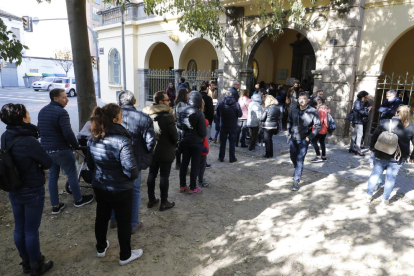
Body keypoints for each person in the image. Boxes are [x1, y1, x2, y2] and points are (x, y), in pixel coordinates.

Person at [1, 103, 54, 276]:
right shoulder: (29, 140)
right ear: (23, 118)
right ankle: (36, 265)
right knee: (31, 230)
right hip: (32, 188)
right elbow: (47, 163)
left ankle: (25, 264)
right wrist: (36, 162)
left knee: (19, 228)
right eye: (27, 113)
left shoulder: (5, 136)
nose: (30, 115)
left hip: (14, 187)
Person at [87, 103, 142, 266]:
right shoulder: (122, 140)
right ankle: (125, 255)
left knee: (102, 216)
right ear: (115, 119)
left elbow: (90, 164)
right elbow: (131, 169)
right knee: (123, 221)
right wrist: (128, 177)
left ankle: (100, 247)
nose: (123, 118)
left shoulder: (94, 136)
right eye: (121, 115)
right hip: (121, 189)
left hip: (100, 185)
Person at [37, 88, 94, 214]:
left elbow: (39, 130)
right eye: (64, 97)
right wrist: (76, 145)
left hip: (47, 150)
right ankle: (78, 200)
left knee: (53, 176)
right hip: (61, 149)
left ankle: (55, 206)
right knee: (72, 174)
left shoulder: (42, 111)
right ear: (55, 98)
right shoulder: (61, 112)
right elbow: (67, 133)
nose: (67, 99)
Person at [111, 90, 156, 233]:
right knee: (135, 191)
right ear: (135, 101)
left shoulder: (112, 117)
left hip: (115, 159)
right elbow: (151, 141)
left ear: (119, 102)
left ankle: (113, 219)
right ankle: (133, 222)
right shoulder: (144, 118)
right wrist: (146, 153)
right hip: (135, 160)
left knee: (115, 190)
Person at [366, 105, 414, 205]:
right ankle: (385, 200)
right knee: (390, 179)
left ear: (396, 112)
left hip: (381, 153)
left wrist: (372, 148)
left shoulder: (385, 122)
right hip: (398, 157)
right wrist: (412, 157)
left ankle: (368, 195)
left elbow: (375, 136)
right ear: (408, 115)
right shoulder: (411, 127)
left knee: (375, 174)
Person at [143, 91, 178, 210]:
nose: (170, 102)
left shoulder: (147, 115)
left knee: (152, 173)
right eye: (167, 100)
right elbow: (175, 136)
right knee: (164, 176)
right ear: (160, 102)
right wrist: (174, 143)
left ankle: (151, 199)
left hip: (152, 149)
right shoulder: (168, 116)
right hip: (166, 150)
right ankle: (164, 202)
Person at [288, 92, 321, 191]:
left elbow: (318, 126)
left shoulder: (312, 111)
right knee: (293, 156)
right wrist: (289, 133)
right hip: (293, 138)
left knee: (300, 159)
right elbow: (289, 120)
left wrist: (310, 137)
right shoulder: (294, 109)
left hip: (304, 139)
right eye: (299, 99)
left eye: (303, 99)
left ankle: (296, 180)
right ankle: (297, 169)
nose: (301, 101)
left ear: (308, 101)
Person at [177, 91, 207, 194]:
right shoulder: (199, 114)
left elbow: (179, 125)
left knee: (184, 163)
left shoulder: (183, 111)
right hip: (196, 142)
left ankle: (182, 185)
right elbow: (203, 132)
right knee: (195, 164)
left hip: (185, 141)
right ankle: (192, 187)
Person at [216, 90, 242, 162]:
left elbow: (217, 114)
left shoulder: (221, 104)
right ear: (233, 96)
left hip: (223, 125)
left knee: (223, 142)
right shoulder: (236, 104)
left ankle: (221, 157)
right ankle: (232, 158)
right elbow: (240, 114)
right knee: (232, 143)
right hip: (233, 126)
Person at [350, 91, 372, 156]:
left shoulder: (361, 102)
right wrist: (367, 110)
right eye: (366, 98)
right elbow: (359, 111)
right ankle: (358, 150)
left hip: (359, 120)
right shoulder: (358, 102)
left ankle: (352, 148)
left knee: (355, 135)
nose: (367, 99)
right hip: (358, 120)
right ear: (363, 97)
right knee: (359, 135)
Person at [310, 97, 331, 163]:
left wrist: (314, 126)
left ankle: (318, 156)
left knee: (314, 141)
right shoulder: (326, 108)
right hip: (325, 129)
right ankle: (324, 156)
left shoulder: (320, 110)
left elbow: (320, 120)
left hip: (320, 129)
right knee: (322, 142)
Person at [174, 88, 189, 170]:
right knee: (180, 147)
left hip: (179, 128)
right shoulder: (182, 104)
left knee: (179, 147)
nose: (188, 95)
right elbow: (182, 117)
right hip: (181, 129)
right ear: (184, 94)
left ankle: (178, 163)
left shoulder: (180, 103)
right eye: (187, 93)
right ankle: (179, 164)